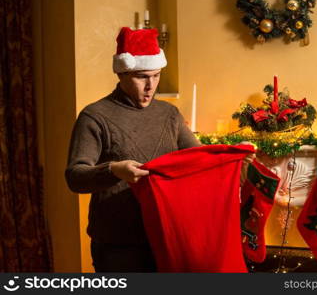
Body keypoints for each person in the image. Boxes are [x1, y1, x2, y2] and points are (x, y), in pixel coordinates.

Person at [65, 27, 254, 272]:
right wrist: (113, 170)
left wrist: (232, 158)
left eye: (156, 76)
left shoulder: (169, 114)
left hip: (168, 235)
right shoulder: (95, 116)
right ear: (122, 73)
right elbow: (75, 177)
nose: (150, 85)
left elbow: (199, 162)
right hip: (118, 243)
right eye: (142, 76)